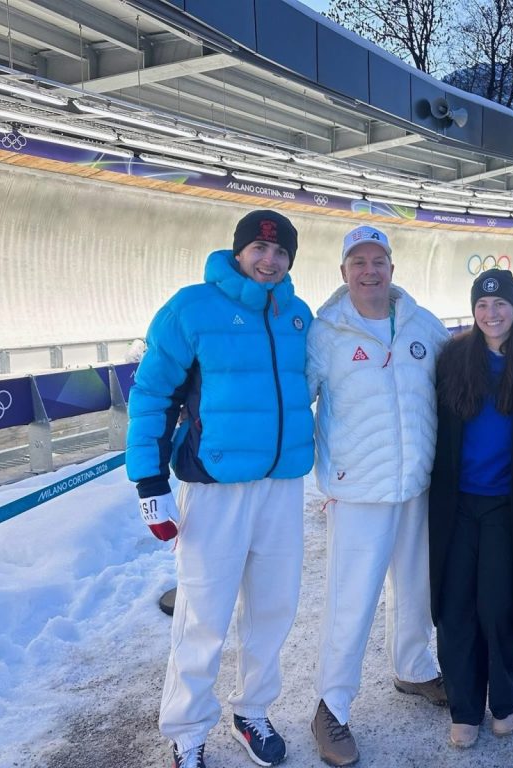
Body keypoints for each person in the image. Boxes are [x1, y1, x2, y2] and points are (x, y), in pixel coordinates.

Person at [127, 209, 314, 768]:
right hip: (215, 487)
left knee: (273, 609)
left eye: (280, 253)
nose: (269, 260)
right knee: (203, 613)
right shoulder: (193, 308)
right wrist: (150, 483)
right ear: (238, 251)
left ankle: (252, 710)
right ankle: (186, 729)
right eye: (259, 249)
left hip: (281, 487)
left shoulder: (297, 315)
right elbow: (151, 394)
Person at [306, 224, 449, 766]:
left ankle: (414, 669)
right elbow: (294, 397)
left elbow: (459, 373)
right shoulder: (326, 332)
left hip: (416, 483)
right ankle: (331, 707)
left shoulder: (419, 322)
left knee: (416, 589)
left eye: (379, 261)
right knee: (352, 600)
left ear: (392, 268)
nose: (370, 271)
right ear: (344, 272)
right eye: (359, 262)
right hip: (358, 489)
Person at [428, 269, 513, 749]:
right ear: (474, 310)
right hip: (458, 504)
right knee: (454, 605)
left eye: (501, 304)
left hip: (510, 507)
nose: (492, 313)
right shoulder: (452, 361)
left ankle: (504, 699)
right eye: (483, 305)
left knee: (498, 603)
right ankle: (465, 707)